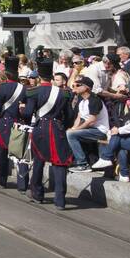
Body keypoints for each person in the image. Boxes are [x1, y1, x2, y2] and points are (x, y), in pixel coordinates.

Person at [28, 72, 75, 209]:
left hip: (40, 128)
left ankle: (37, 193)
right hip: (57, 128)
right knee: (59, 162)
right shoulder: (64, 93)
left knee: (38, 160)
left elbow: (27, 113)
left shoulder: (33, 91)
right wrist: (63, 126)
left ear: (39, 77)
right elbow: (70, 115)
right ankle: (60, 200)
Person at [66, 75, 109, 172]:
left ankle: (82, 164)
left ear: (87, 87)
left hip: (100, 131)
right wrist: (73, 128)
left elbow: (92, 120)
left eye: (78, 85)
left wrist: (76, 130)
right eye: (73, 85)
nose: (74, 87)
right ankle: (70, 161)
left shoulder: (95, 100)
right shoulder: (82, 102)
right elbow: (79, 118)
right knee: (69, 132)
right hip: (90, 130)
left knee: (71, 134)